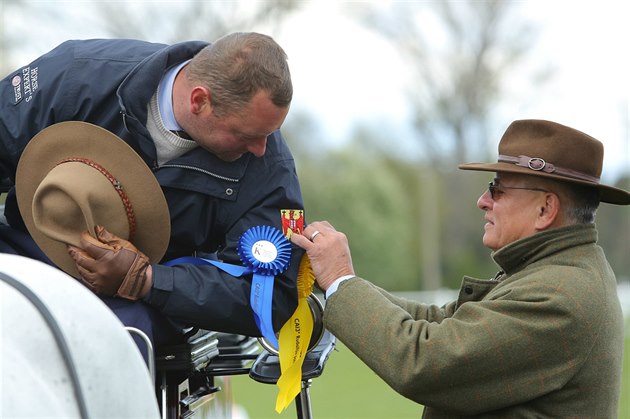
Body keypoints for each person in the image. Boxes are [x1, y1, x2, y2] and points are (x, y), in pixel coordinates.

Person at [291, 119, 629, 417]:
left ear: (545, 209)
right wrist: (333, 282)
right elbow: (439, 322)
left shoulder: (559, 295)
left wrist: (341, 281)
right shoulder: (557, 271)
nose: (483, 200)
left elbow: (424, 361)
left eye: (497, 188)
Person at [0, 32, 304, 349]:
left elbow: (274, 297)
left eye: (270, 132)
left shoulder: (269, 166)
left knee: (119, 342)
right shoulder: (78, 75)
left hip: (145, 299)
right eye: (246, 135)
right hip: (26, 249)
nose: (260, 149)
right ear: (199, 101)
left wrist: (146, 280)